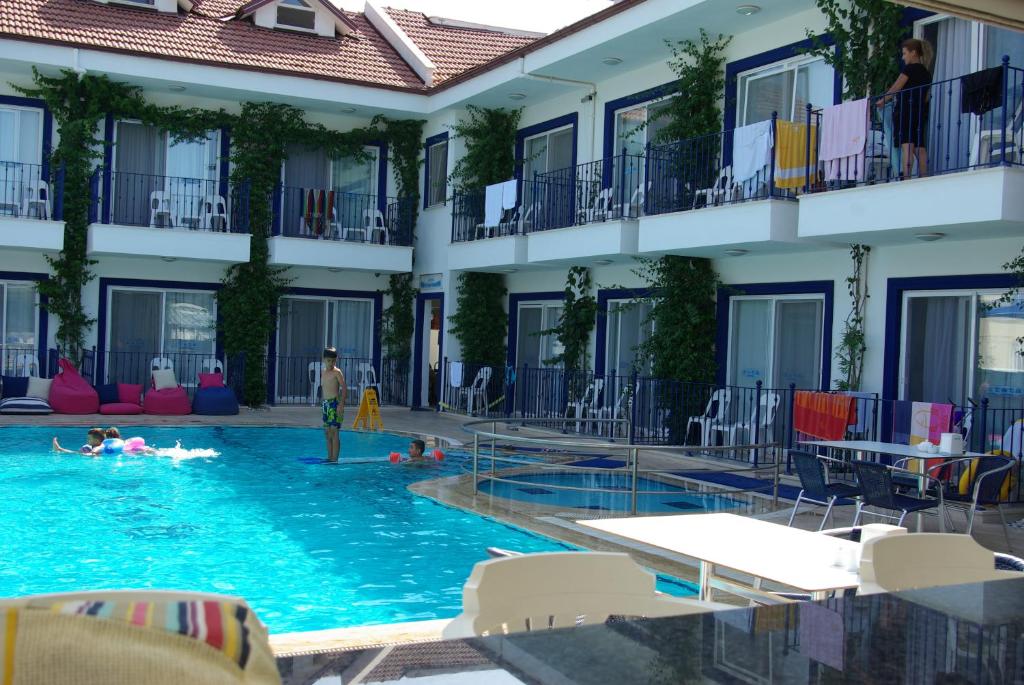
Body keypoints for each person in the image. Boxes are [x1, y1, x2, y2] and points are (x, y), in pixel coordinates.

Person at [877, 38, 933, 179]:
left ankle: (906, 179)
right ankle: (924, 177)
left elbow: (897, 86)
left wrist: (883, 100)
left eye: (904, 53)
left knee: (907, 146)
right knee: (919, 147)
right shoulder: (926, 73)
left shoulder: (909, 69)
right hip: (919, 112)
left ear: (913, 53)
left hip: (905, 112)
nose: (903, 57)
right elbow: (926, 97)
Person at [320, 346, 346, 463]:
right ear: (324, 359)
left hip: (335, 404)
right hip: (326, 404)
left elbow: (344, 388)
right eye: (329, 361)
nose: (331, 363)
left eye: (333, 361)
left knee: (334, 431)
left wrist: (341, 404)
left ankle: (335, 459)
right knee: (327, 432)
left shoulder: (337, 372)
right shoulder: (323, 372)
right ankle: (329, 457)